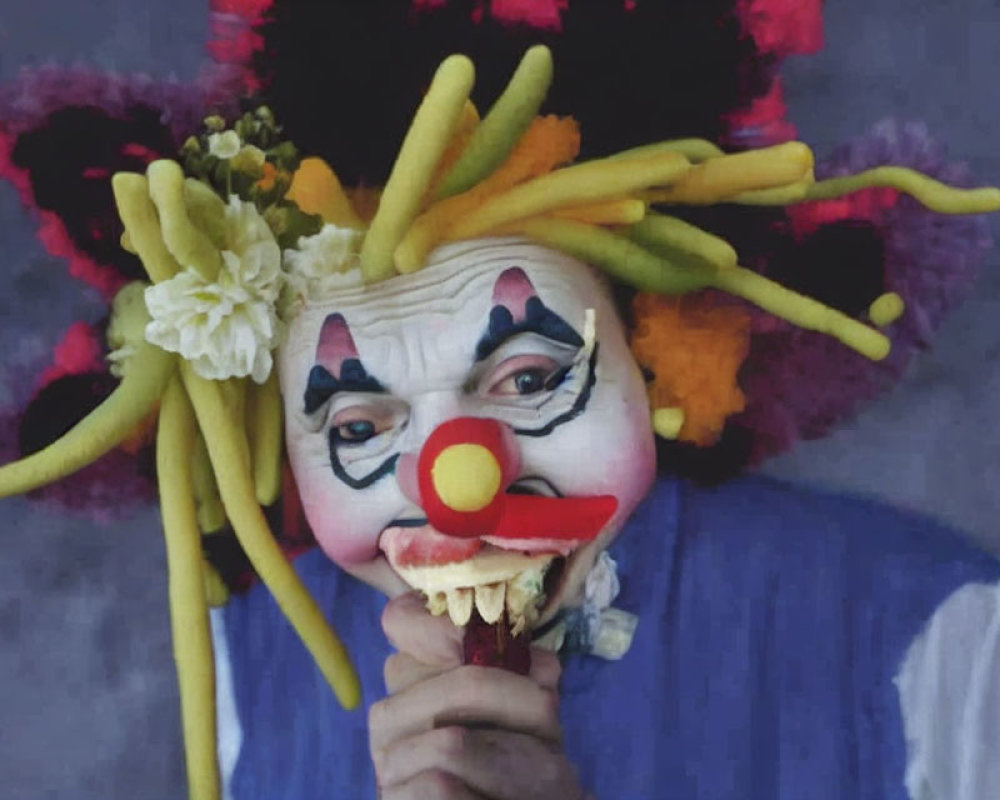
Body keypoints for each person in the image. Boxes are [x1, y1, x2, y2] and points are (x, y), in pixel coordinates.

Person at [2, 3, 1000, 798]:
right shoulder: (251, 655)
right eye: (357, 424)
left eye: (527, 378)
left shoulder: (942, 637)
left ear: (654, 356)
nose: (457, 482)